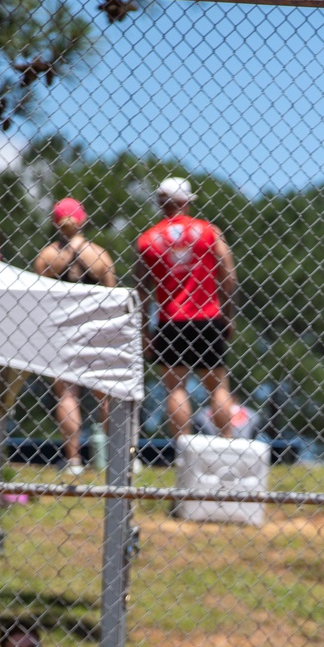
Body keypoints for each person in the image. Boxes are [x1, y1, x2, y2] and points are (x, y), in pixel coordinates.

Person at [135, 177, 238, 439]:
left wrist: (145, 328)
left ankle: (183, 449)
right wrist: (228, 314)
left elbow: (142, 289)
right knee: (217, 388)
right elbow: (229, 275)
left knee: (176, 389)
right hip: (208, 316)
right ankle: (226, 443)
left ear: (161, 204)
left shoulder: (147, 240)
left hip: (171, 320)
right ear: (186, 203)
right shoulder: (208, 231)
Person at [34, 198, 117, 477]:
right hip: (95, 329)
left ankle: (74, 461)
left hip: (62, 331)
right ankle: (118, 456)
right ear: (83, 219)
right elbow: (112, 296)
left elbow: (40, 299)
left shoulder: (46, 257)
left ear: (55, 222)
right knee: (105, 395)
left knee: (67, 394)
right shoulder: (100, 255)